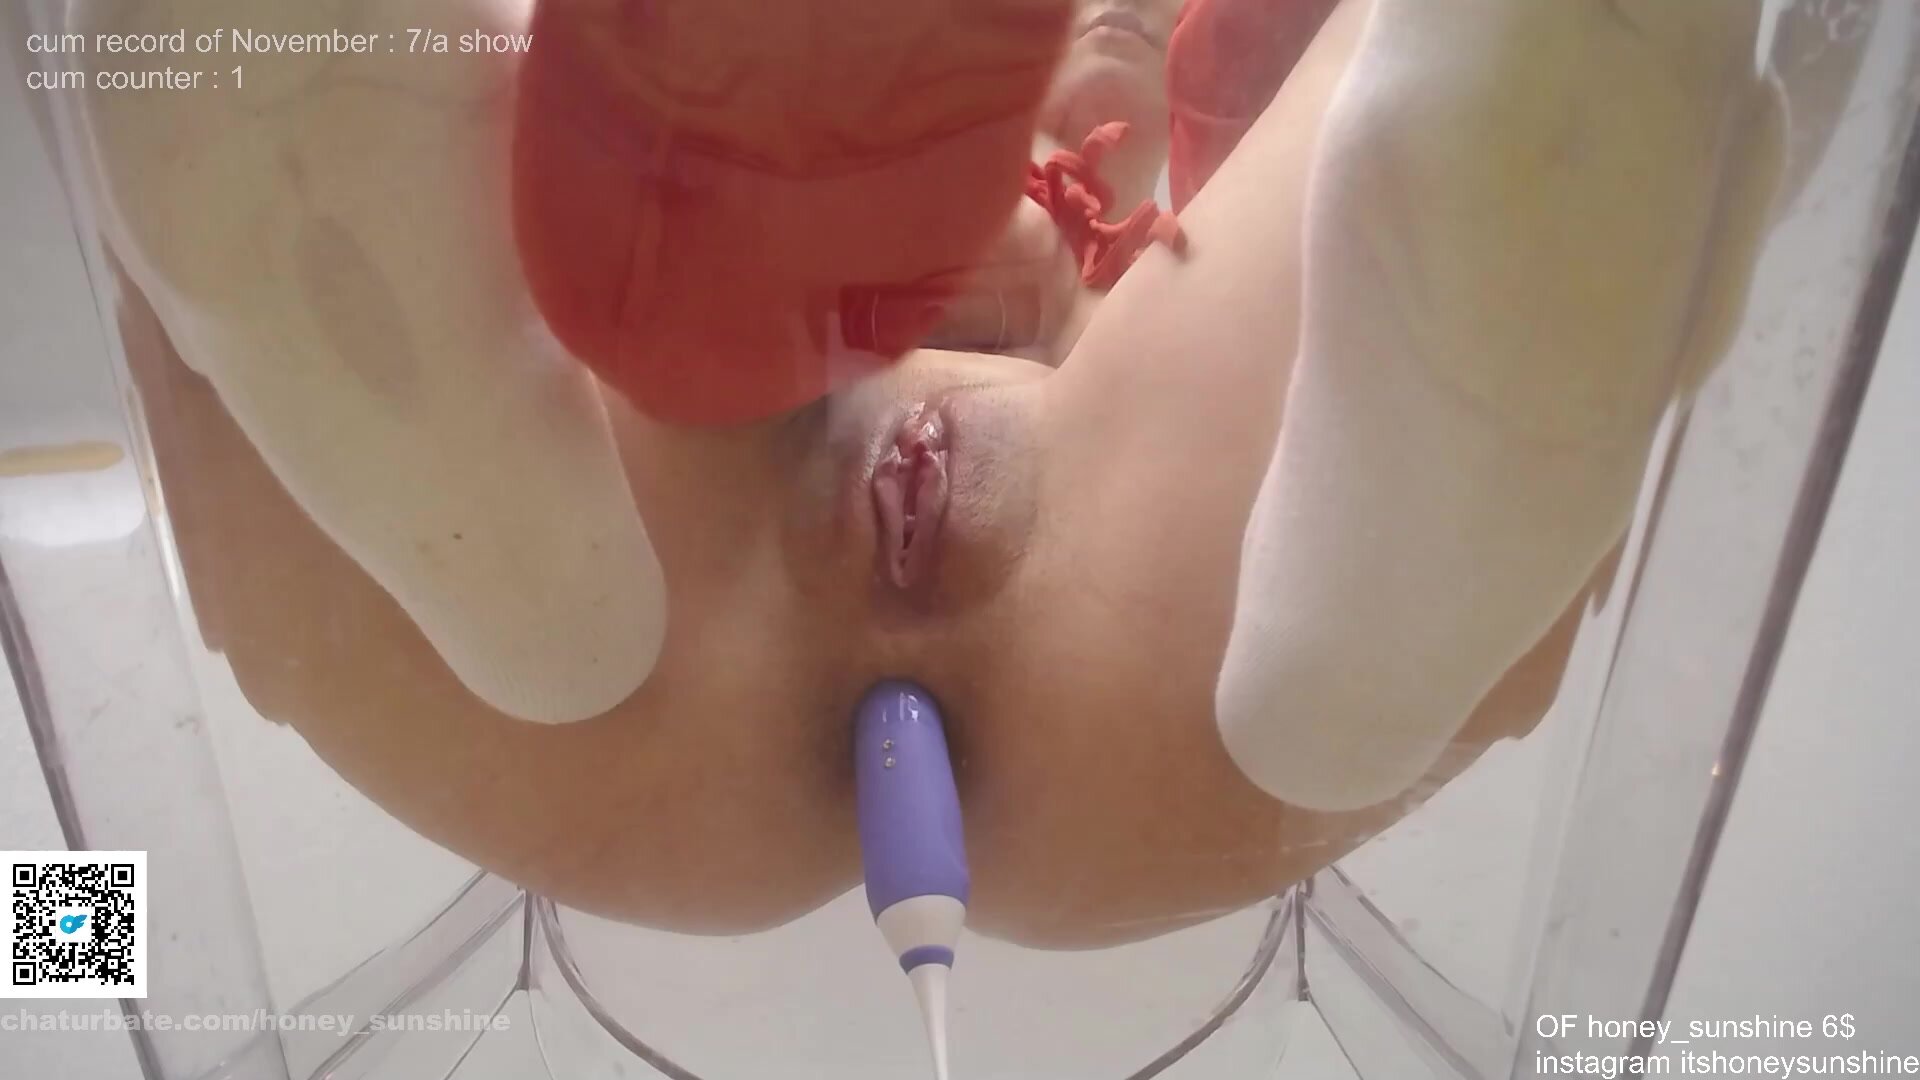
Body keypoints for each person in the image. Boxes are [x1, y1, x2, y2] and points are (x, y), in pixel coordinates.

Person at [93, 0, 1779, 947]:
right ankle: (1377, 641)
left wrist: (224, 449)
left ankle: (494, 557)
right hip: (1190, 664)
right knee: (1285, 689)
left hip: (634, 628)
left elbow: (231, 518)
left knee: (542, 633)